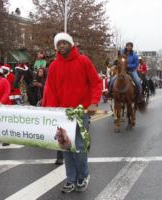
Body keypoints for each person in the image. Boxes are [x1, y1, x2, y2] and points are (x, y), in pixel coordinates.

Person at [43, 32, 102, 193]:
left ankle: (83, 176)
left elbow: (96, 83)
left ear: (71, 44)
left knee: (80, 146)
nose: (62, 45)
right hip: (63, 114)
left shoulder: (83, 61)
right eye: (59, 43)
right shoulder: (54, 66)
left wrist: (94, 102)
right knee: (66, 147)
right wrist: (52, 110)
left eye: (64, 42)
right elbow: (51, 90)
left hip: (81, 112)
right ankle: (71, 179)